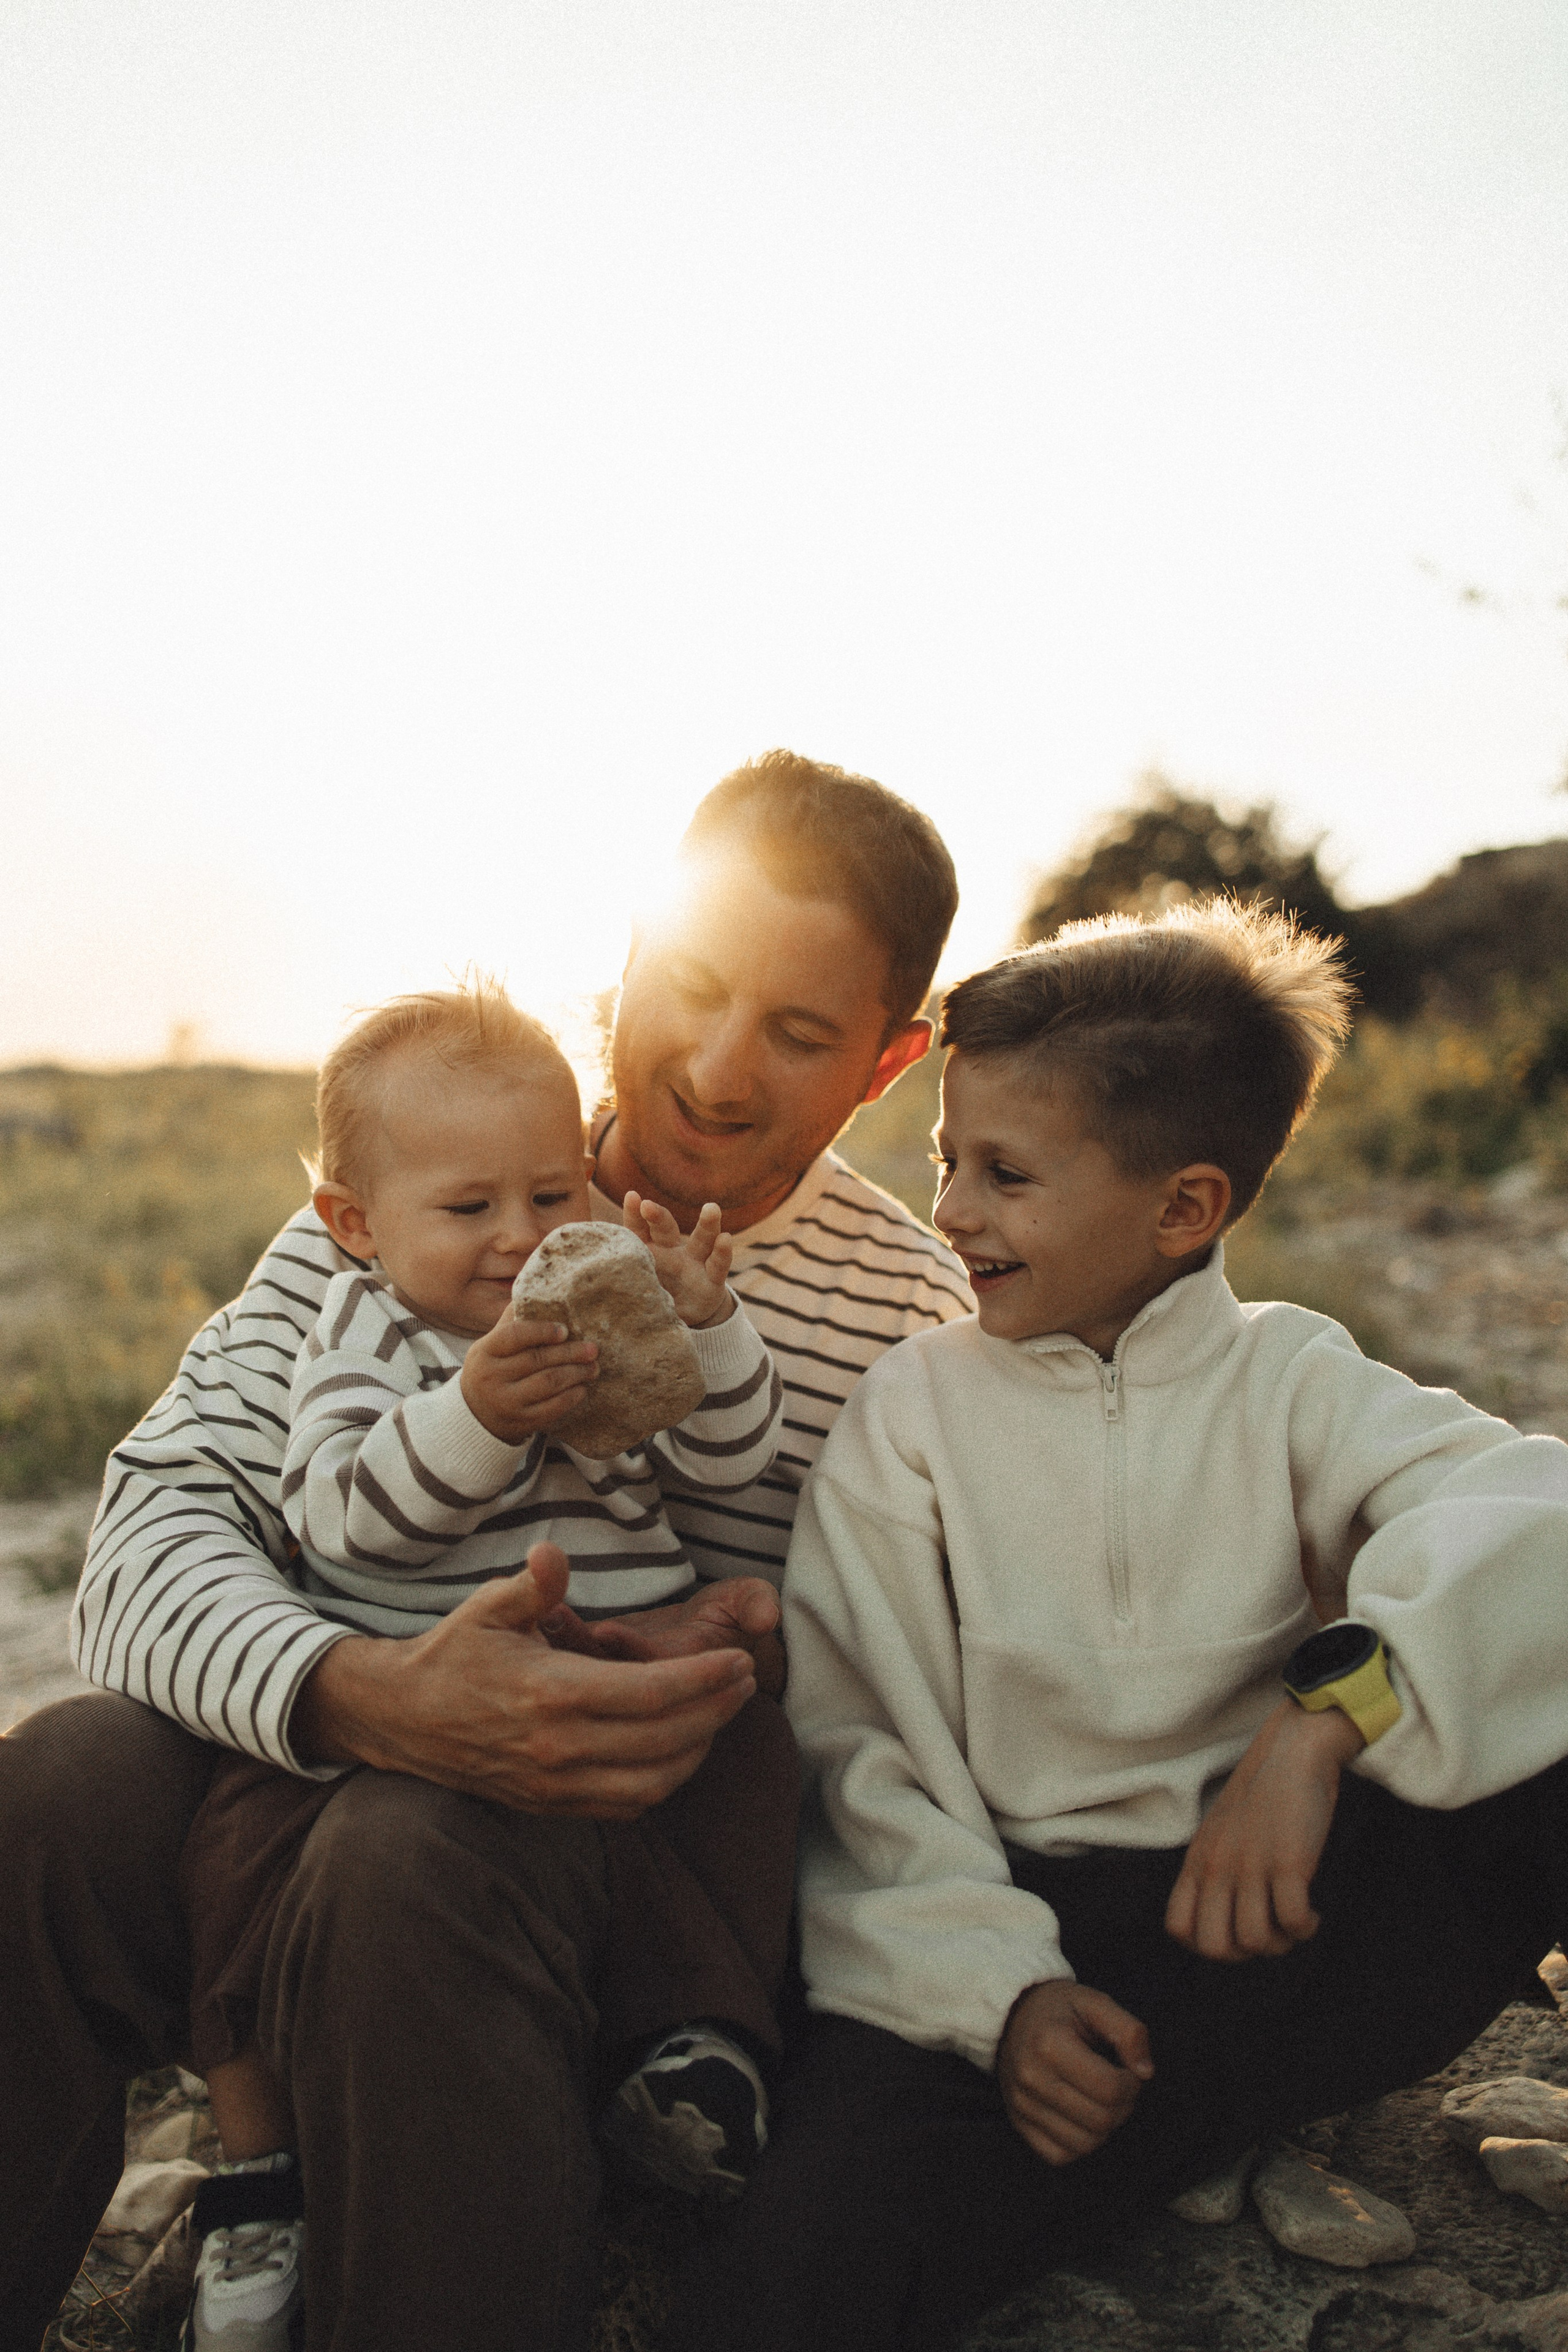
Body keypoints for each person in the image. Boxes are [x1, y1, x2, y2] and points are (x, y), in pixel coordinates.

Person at [0, 749, 971, 2352]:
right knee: (53, 1793)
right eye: (693, 988)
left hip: (639, 1865)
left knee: (410, 1858)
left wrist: (762, 1638)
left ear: (888, 1062)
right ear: (627, 962)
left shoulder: (914, 1316)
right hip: (326, 1753)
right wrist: (351, 1690)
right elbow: (152, 1539)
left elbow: (924, 1646)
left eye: (799, 1036)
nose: (718, 1072)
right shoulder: (428, 1185)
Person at [674, 902, 1568, 2352]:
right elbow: (861, 1747)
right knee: (800, 2261)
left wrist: (1322, 1722)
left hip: (1269, 1909)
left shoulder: (1288, 1377)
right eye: (945, 1159)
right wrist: (998, 2000)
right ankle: (1142, 2135)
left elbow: (1536, 1511)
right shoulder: (913, 1418)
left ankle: (1182, 2122)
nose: (951, 1209)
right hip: (1028, 1953)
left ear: (1183, 1209)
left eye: (1006, 1174)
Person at [178, 978, 790, 2347]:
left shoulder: (594, 1309)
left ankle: (698, 2050)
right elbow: (343, 1510)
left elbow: (725, 1455)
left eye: (552, 1193)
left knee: (747, 1749)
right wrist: (473, 1415)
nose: (521, 1240)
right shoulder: (364, 1338)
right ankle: (258, 2164)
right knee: (238, 1845)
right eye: (469, 1210)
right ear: (356, 1226)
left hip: (619, 1673)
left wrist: (704, 1332)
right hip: (415, 1696)